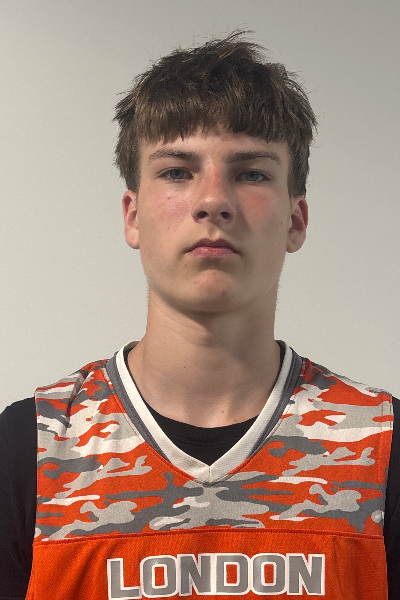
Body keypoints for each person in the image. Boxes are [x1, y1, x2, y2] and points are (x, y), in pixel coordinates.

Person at [1, 31, 398, 600]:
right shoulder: (32, 448)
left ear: (296, 220)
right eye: (177, 171)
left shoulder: (381, 448)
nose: (213, 200)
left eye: (251, 173)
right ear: (132, 216)